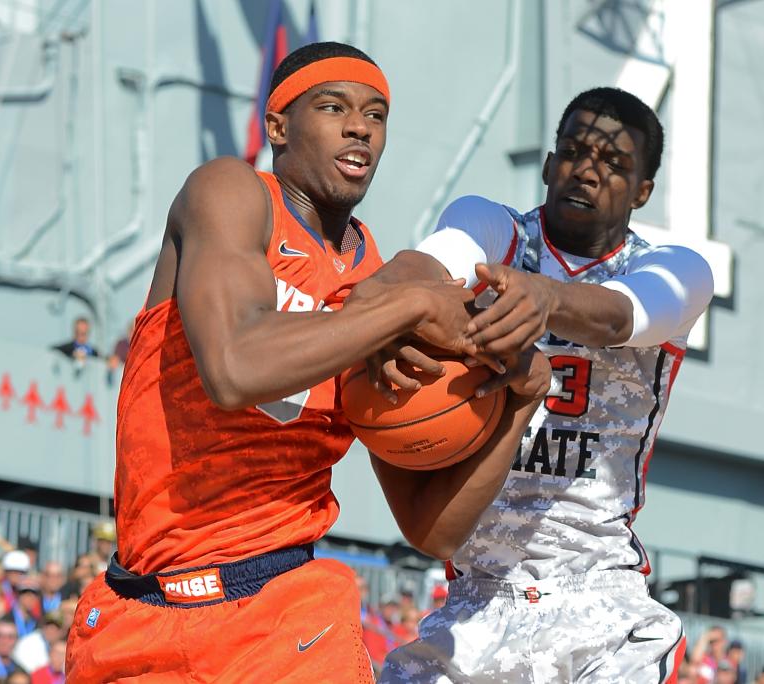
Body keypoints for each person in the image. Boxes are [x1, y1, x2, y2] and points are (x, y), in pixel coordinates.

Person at [65, 40, 536, 683]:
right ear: (279, 125)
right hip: (143, 608)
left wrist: (516, 404)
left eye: (376, 115)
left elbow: (434, 531)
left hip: (286, 613)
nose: (359, 127)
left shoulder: (374, 285)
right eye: (334, 106)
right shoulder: (231, 194)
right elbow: (234, 370)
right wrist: (412, 304)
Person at [378, 87, 714, 682]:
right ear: (548, 164)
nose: (588, 169)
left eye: (614, 164)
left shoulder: (674, 267)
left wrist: (546, 298)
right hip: (476, 597)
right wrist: (385, 303)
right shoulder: (493, 229)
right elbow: (425, 267)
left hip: (600, 600)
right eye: (574, 151)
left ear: (643, 192)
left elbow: (620, 316)